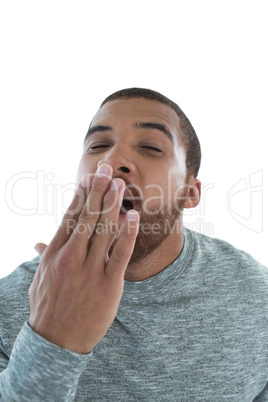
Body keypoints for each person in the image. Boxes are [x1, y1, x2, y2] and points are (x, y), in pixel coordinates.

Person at [0, 88, 267, 401]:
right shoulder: (10, 305)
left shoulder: (255, 296)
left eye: (151, 147)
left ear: (190, 193)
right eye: (98, 146)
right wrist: (52, 340)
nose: (111, 161)